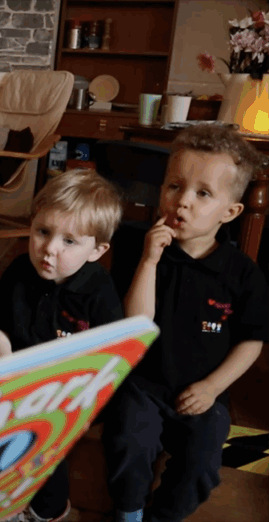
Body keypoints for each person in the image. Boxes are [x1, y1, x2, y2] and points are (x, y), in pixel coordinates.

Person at [103, 125, 269, 522]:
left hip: (203, 392)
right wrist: (149, 262)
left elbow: (251, 340)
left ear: (230, 212)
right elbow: (136, 324)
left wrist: (213, 387)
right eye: (174, 186)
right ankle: (129, 514)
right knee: (127, 440)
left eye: (203, 193)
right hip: (143, 384)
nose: (182, 202)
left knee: (202, 462)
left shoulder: (241, 274)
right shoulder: (141, 251)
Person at [0, 169, 125, 522]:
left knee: (45, 437)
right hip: (19, 377)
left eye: (69, 241)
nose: (48, 249)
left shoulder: (99, 290)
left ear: (97, 251)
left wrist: (66, 394)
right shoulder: (18, 271)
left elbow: (108, 360)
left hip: (77, 388)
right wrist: (10, 373)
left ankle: (49, 511)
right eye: (43, 232)